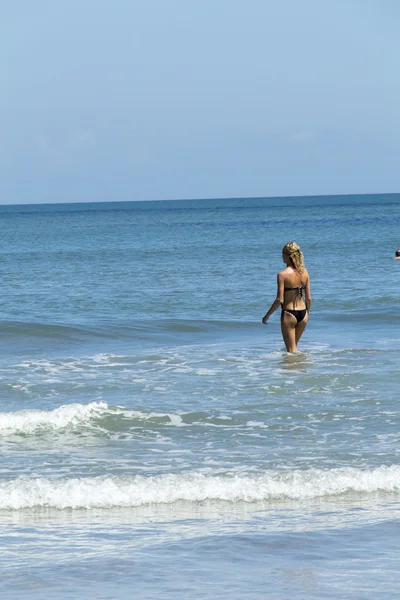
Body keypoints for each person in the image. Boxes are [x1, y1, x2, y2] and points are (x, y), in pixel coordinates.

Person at [262, 242, 312, 353]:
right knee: (294, 349)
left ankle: (291, 369)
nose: (282, 257)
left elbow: (279, 299)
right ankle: (300, 368)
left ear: (287, 255)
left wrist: (267, 315)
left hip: (289, 314)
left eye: (282, 254)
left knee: (291, 351)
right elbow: (308, 298)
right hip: (303, 314)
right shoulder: (305, 272)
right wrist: (307, 313)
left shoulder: (282, 275)